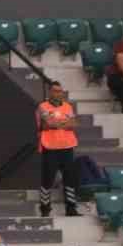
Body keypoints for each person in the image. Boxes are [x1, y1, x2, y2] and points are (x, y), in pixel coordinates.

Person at [36, 80, 79, 218]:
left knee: (70, 178)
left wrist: (58, 123)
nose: (58, 93)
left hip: (67, 146)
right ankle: (45, 208)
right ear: (50, 92)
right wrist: (63, 123)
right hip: (50, 146)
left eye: (60, 91)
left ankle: (71, 209)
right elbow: (49, 123)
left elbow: (73, 124)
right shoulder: (43, 106)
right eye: (55, 91)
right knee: (47, 179)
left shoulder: (67, 106)